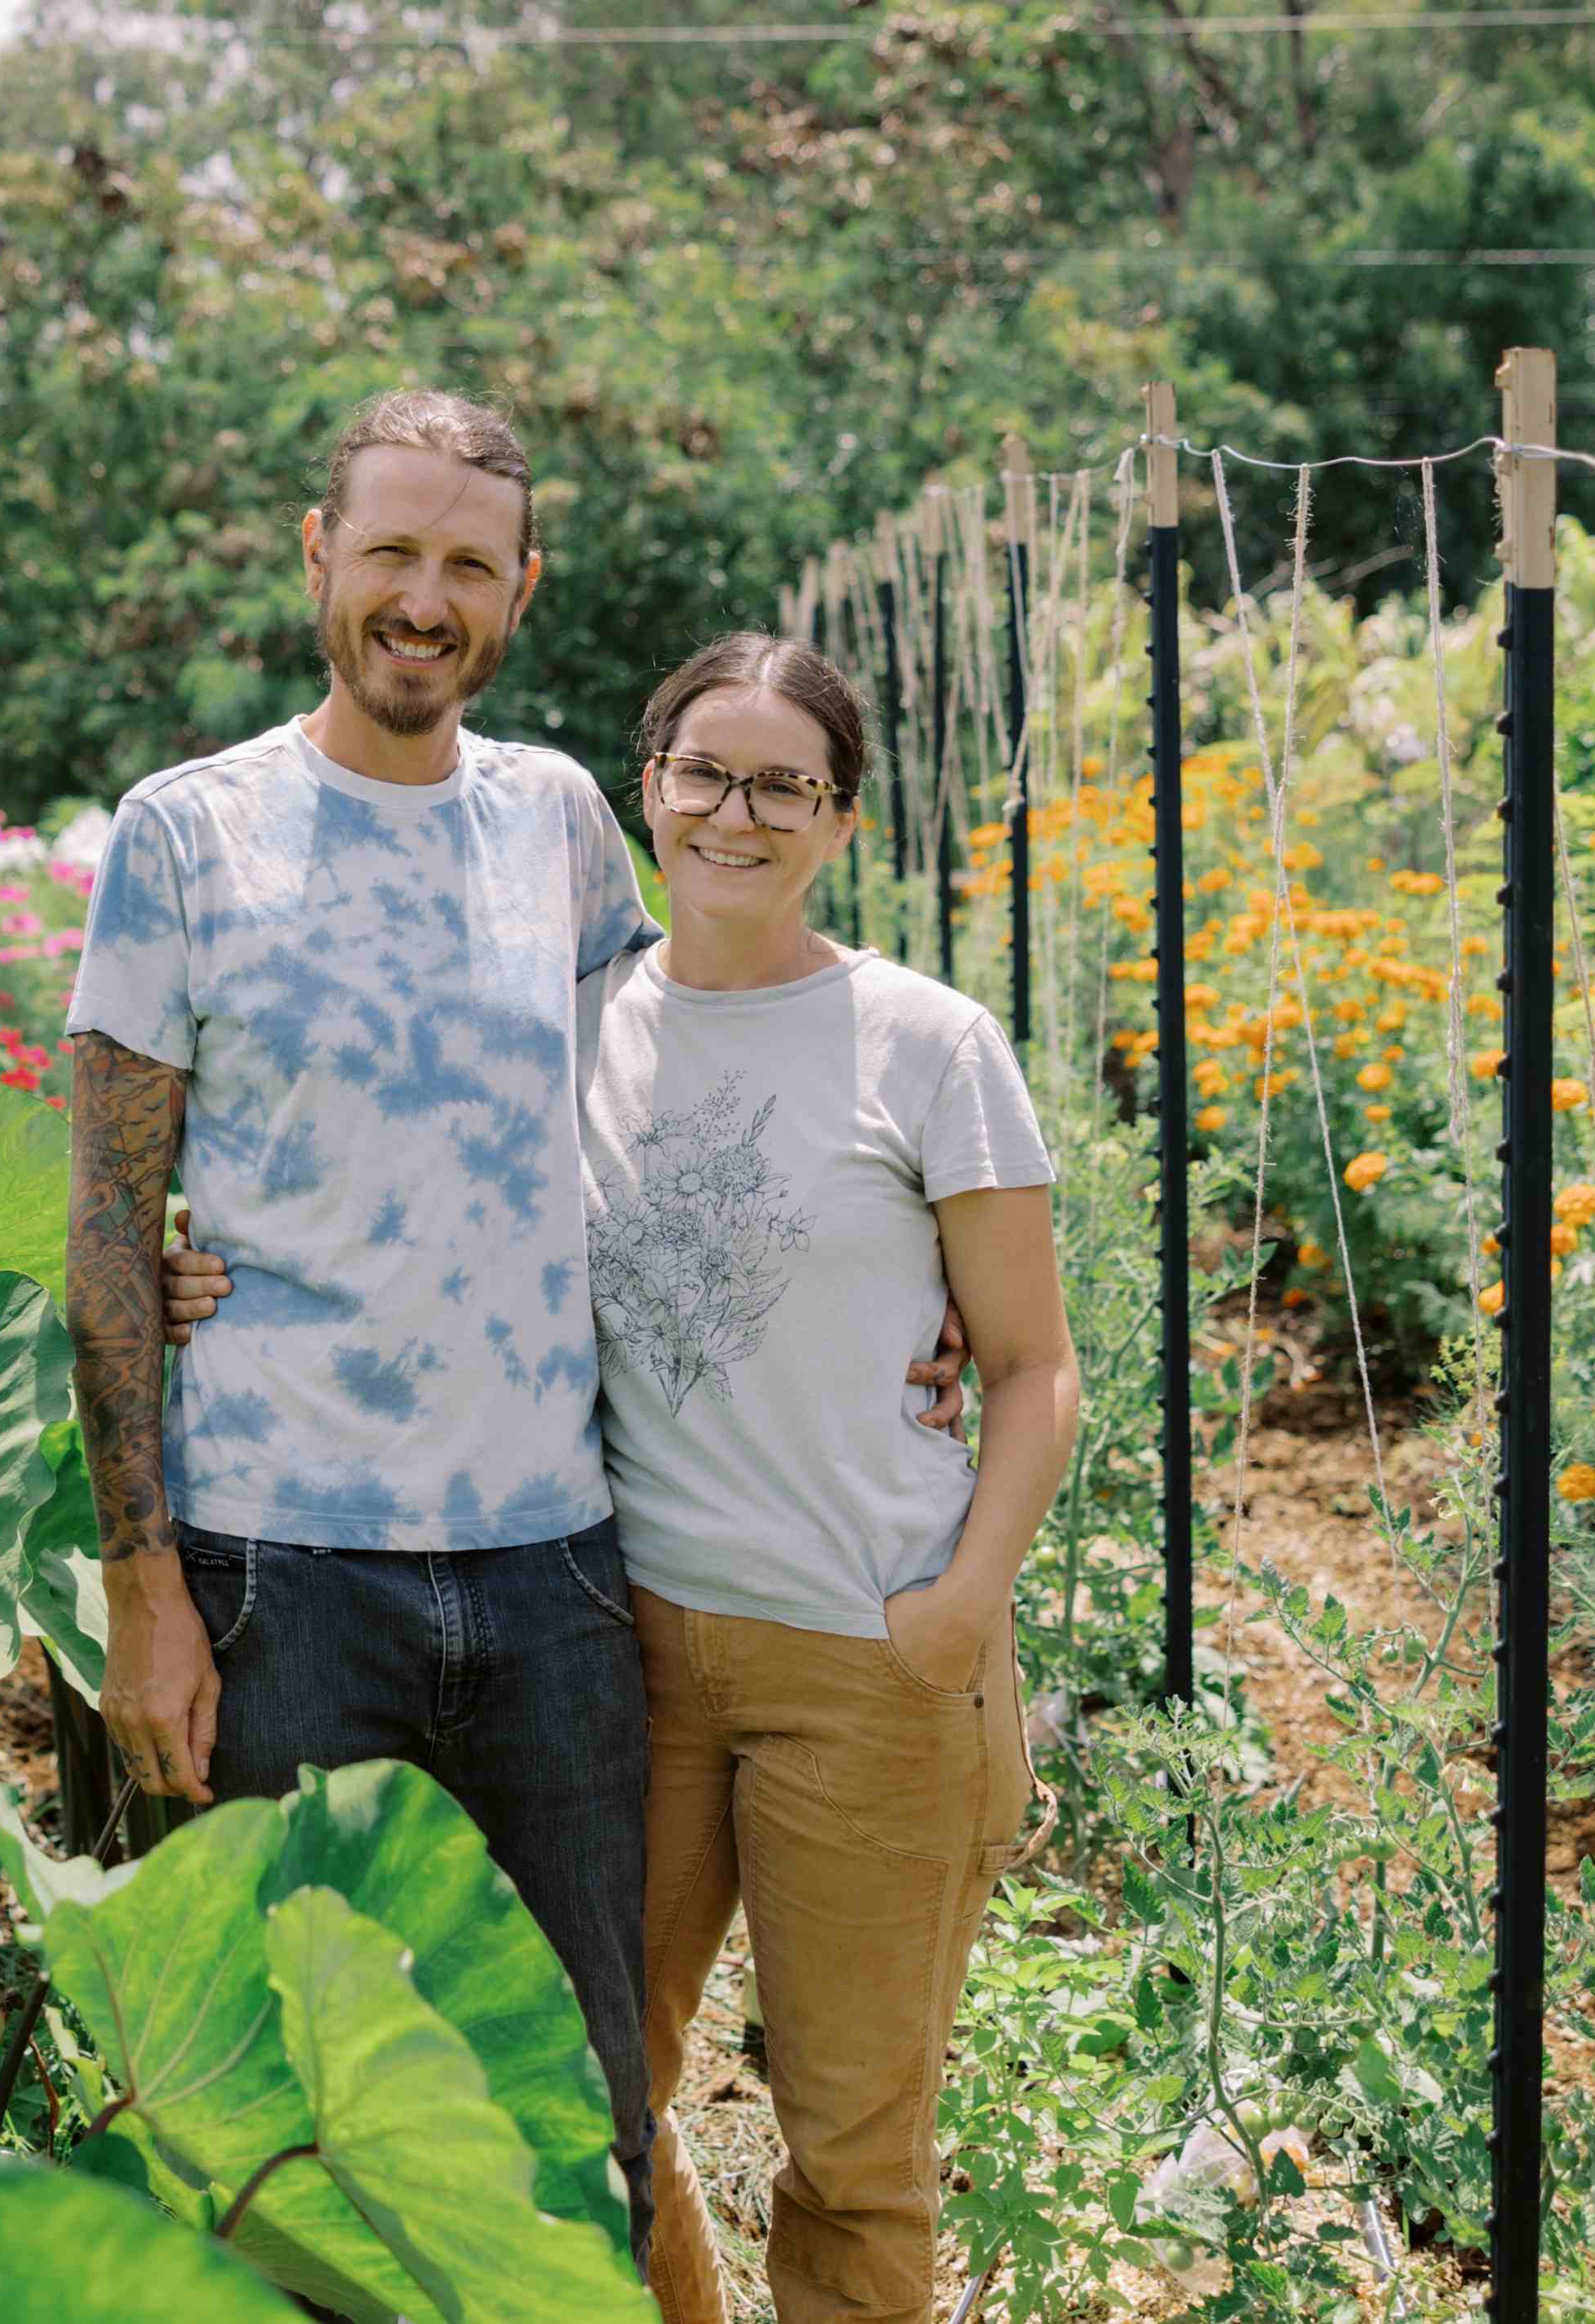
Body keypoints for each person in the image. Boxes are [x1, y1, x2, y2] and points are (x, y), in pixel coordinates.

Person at [65, 390, 965, 2278]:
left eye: (465, 564)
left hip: (556, 1573)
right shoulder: (186, 838)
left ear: (517, 591)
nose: (422, 595)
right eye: (389, 550)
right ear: (319, 557)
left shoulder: (559, 820)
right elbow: (100, 1217)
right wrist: (142, 1584)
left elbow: (684, 1080)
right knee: (296, 2118)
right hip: (276, 1574)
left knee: (580, 2108)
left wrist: (908, 1276)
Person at [168, 623, 1077, 2323]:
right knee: (586, 2102)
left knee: (852, 2145)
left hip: (864, 1660)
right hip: (626, 1649)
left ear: (841, 819)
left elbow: (1030, 1366)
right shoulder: (562, 1019)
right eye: (703, 773)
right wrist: (188, 1256)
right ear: (643, 789)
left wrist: (959, 1613)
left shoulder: (924, 1044)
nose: (737, 814)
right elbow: (377, 1180)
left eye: (784, 785)